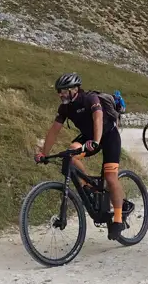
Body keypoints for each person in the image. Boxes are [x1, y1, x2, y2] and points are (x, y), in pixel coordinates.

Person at [35, 72, 125, 241]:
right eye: (58, 91)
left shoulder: (90, 99)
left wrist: (96, 141)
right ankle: (89, 189)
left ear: (74, 89)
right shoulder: (65, 107)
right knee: (71, 153)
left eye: (63, 91)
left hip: (108, 136)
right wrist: (44, 154)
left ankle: (118, 220)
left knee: (111, 177)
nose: (60, 94)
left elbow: (98, 118)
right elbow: (54, 130)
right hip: (89, 137)